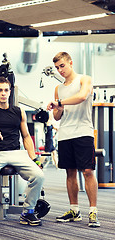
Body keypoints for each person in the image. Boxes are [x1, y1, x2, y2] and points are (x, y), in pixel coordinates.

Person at [0, 76, 44, 228]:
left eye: (6, 90)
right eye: (0, 90)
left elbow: (26, 137)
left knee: (38, 176)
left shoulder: (18, 112)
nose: (3, 93)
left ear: (10, 92)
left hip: (16, 152)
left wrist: (34, 158)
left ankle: (28, 212)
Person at [47, 52, 100, 228]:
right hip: (65, 134)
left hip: (83, 132)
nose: (60, 70)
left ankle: (93, 212)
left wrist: (60, 102)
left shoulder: (85, 79)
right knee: (70, 173)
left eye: (62, 66)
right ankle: (74, 210)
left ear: (70, 63)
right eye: (57, 68)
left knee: (87, 171)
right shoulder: (58, 88)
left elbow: (82, 96)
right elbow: (56, 116)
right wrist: (58, 107)